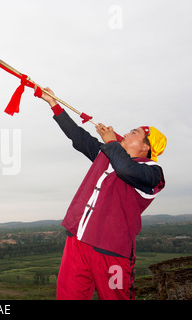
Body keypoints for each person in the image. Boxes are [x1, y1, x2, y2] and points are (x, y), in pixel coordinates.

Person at [35, 87, 166, 300]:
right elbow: (79, 138)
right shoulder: (107, 154)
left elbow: (126, 170)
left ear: (145, 148)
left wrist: (112, 143)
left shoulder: (153, 172)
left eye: (134, 133)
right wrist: (53, 103)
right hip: (77, 242)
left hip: (112, 253)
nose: (128, 132)